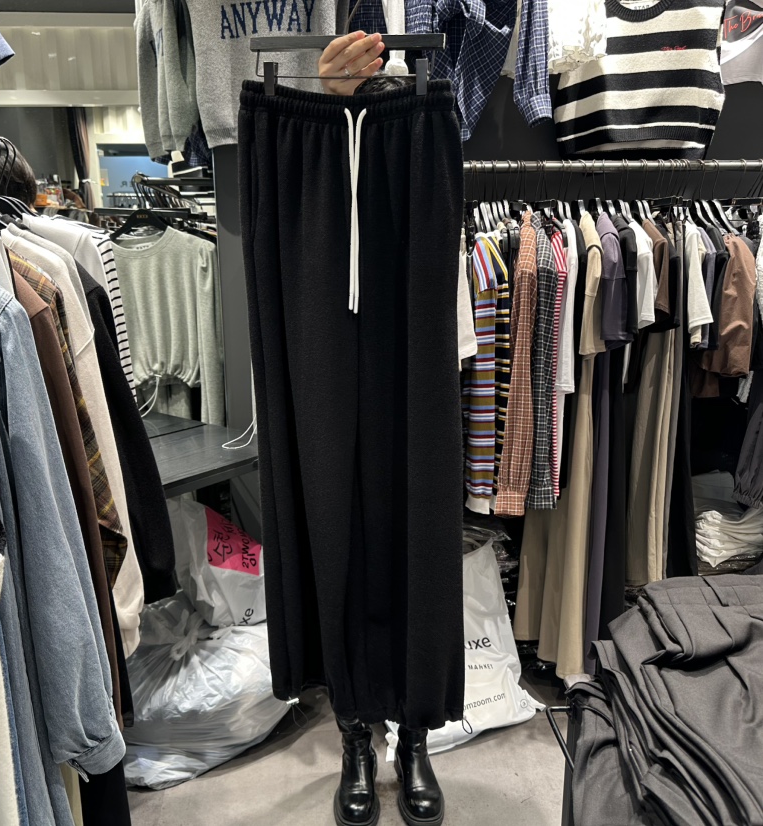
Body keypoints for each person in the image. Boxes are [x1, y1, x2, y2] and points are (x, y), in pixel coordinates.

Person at [312, 32, 449, 826]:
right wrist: (330, 102)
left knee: (414, 527)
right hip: (332, 252)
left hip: (411, 244)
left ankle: (415, 733)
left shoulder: (426, 156)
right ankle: (356, 732)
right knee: (342, 528)